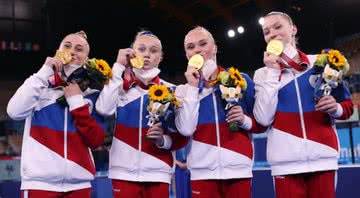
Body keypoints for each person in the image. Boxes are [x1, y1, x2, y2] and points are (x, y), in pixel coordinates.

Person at [253, 11, 354, 198]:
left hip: (323, 157)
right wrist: (273, 72)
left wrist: (335, 107)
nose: (272, 34)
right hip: (285, 163)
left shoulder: (322, 62)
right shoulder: (262, 74)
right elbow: (263, 118)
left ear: (293, 29)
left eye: (277, 27)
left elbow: (347, 107)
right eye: (266, 31)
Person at [7, 31, 106, 197]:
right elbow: (14, 111)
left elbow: (95, 140)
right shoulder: (39, 86)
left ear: (87, 61)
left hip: (79, 185)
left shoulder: (92, 95)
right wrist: (44, 72)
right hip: (40, 184)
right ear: (57, 53)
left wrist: (76, 102)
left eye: (79, 49)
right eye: (67, 46)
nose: (72, 51)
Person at [95, 30, 189, 198]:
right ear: (132, 54)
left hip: (158, 171)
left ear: (160, 58)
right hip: (122, 173)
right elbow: (103, 109)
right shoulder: (119, 87)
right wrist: (118, 67)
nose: (147, 55)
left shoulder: (173, 91)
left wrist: (163, 141)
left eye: (153, 51)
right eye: (142, 49)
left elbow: (184, 135)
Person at [175, 26, 266, 198]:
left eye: (203, 44)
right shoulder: (183, 92)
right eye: (191, 47)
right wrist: (193, 89)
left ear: (215, 47)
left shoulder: (241, 80)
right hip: (201, 174)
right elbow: (185, 130)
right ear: (187, 54)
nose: (197, 50)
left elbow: (261, 124)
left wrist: (244, 120)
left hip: (238, 170)